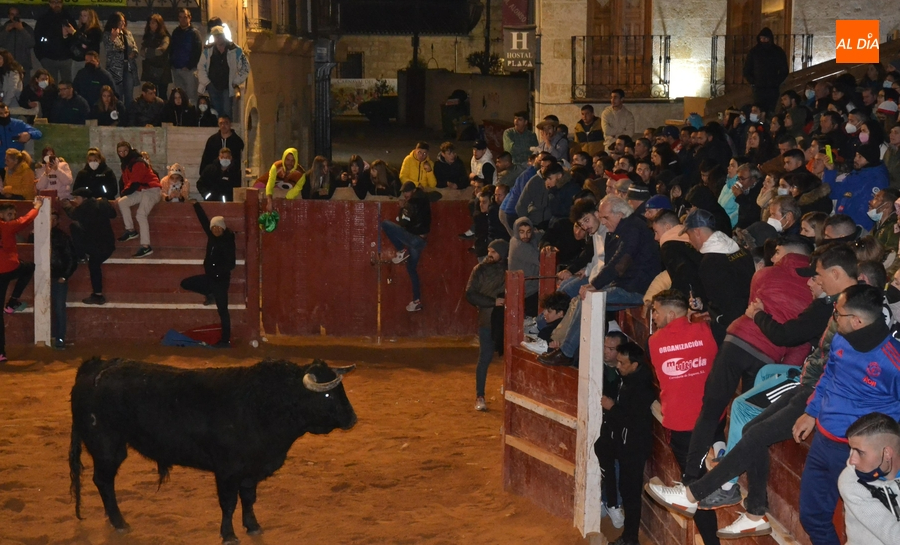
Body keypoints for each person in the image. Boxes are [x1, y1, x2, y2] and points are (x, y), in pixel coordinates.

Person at [648, 243, 857, 538]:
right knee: (752, 427)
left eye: (818, 275)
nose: (813, 281)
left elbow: (809, 347)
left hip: (814, 391)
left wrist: (758, 316)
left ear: (836, 273)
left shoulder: (840, 307)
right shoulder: (834, 306)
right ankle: (753, 509)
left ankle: (699, 490)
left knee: (746, 418)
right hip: (807, 384)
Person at [794, 284, 900, 545]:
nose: (833, 317)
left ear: (858, 320)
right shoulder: (841, 339)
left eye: (838, 313)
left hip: (859, 454)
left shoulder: (893, 361)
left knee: (863, 531)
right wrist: (811, 411)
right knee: (812, 517)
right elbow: (828, 375)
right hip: (823, 440)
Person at [540, 196, 660, 366]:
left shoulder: (632, 228)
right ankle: (564, 349)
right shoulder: (622, 230)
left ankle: (566, 352)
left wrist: (594, 284)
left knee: (587, 298)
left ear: (619, 213)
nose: (602, 222)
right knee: (582, 297)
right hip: (625, 285)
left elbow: (619, 263)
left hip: (635, 289)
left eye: (605, 217)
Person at [647, 290, 722, 545]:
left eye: (656, 311)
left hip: (682, 425)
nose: (653, 316)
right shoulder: (706, 331)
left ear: (670, 313)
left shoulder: (655, 341)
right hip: (713, 420)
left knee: (694, 491)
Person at [594, 341, 657, 545]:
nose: (618, 366)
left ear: (634, 365)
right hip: (626, 443)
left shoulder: (641, 388)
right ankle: (613, 505)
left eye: (622, 363)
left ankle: (630, 538)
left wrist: (612, 407)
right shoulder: (630, 379)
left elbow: (633, 420)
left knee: (630, 492)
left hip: (634, 447)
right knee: (603, 450)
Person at [838, 413, 900, 544]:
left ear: (887, 453)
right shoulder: (851, 481)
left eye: (859, 452)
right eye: (851, 449)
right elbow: (895, 536)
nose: (852, 460)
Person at [180, 202, 235, 348]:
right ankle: (210, 293)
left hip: (220, 281)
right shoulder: (211, 235)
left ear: (223, 229)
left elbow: (231, 264)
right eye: (214, 227)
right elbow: (204, 221)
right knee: (186, 283)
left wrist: (217, 273)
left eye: (218, 227)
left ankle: (225, 340)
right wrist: (196, 205)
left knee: (222, 310)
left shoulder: (228, 241)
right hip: (210, 279)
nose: (216, 229)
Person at [466, 239, 508, 411]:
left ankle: (509, 390)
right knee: (484, 358)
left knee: (511, 358)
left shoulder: (509, 270)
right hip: (487, 320)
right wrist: (493, 301)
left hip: (506, 321)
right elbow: (470, 294)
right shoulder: (479, 270)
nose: (490, 255)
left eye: (494, 252)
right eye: (489, 251)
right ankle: (480, 395)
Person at [382, 181, 431, 312]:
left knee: (385, 224)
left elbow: (403, 222)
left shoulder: (411, 203)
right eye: (404, 192)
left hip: (414, 239)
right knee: (411, 268)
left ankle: (401, 250)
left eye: (406, 192)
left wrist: (402, 208)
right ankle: (417, 300)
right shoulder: (424, 198)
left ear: (413, 191)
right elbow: (437, 195)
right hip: (421, 239)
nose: (405, 195)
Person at [63, 187, 116, 305]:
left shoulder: (83, 208)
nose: (75, 200)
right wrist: (105, 201)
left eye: (77, 198)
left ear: (84, 198)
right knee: (94, 264)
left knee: (74, 227)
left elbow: (72, 214)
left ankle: (81, 256)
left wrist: (66, 205)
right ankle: (97, 294)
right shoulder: (100, 203)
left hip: (95, 246)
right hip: (108, 244)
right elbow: (113, 214)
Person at [827, 143, 890, 231]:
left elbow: (867, 210)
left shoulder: (877, 180)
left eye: (860, 157)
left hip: (855, 229)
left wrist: (855, 231)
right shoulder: (856, 173)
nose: (855, 159)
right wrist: (830, 172)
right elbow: (834, 193)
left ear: (869, 159)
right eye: (856, 155)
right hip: (843, 224)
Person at [115, 141, 161, 258]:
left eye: (125, 151)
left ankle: (146, 246)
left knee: (141, 214)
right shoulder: (126, 164)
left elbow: (134, 182)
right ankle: (130, 230)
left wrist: (124, 192)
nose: (123, 154)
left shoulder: (138, 162)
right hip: (141, 190)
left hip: (152, 189)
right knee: (123, 202)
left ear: (129, 150)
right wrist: (123, 194)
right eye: (120, 152)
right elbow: (128, 182)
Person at [197, 25, 249, 119]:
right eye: (216, 36)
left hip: (227, 87)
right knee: (215, 111)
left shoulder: (235, 50)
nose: (218, 38)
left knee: (227, 111)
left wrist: (236, 81)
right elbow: (200, 67)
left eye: (220, 35)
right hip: (212, 86)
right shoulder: (208, 51)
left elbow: (245, 67)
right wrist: (207, 82)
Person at [743, 28, 788, 115]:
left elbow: (784, 70)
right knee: (758, 111)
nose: (763, 41)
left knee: (770, 111)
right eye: (762, 39)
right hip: (758, 88)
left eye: (765, 39)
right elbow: (747, 69)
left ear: (770, 39)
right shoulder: (754, 52)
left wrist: (776, 82)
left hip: (772, 89)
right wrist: (753, 82)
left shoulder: (778, 52)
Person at [49, 211, 76, 350]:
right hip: (44, 278)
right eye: (49, 218)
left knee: (59, 308)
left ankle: (60, 339)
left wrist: (64, 276)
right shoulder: (36, 234)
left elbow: (71, 258)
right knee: (55, 308)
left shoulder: (62, 237)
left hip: (57, 277)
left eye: (54, 219)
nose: (51, 222)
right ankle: (53, 337)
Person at [33, 0, 76, 83]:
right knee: (51, 86)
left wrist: (67, 36)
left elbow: (75, 37)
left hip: (66, 58)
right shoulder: (43, 19)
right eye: (54, 2)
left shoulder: (69, 18)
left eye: (59, 2)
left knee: (67, 85)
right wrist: (42, 57)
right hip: (49, 58)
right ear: (49, 3)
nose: (56, 5)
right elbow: (38, 38)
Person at [509, 217, 542, 316]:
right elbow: (541, 261)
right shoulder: (519, 246)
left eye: (528, 231)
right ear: (516, 232)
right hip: (527, 292)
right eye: (521, 232)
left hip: (528, 288)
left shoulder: (523, 240)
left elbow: (539, 235)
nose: (525, 235)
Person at [102, 12, 138, 104]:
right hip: (115, 69)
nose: (123, 23)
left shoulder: (127, 33)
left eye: (124, 21)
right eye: (120, 21)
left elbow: (134, 46)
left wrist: (134, 52)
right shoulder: (107, 34)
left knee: (129, 95)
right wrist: (113, 38)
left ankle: (129, 116)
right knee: (118, 95)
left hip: (128, 67)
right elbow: (109, 49)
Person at [169, 8, 203, 104]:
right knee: (179, 96)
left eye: (185, 17)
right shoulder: (176, 32)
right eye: (180, 17)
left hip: (189, 71)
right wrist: (172, 63)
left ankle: (191, 117)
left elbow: (197, 51)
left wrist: (189, 66)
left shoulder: (194, 33)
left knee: (191, 96)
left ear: (190, 18)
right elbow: (172, 48)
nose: (183, 19)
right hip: (176, 69)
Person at [139, 14, 171, 98]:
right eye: (150, 23)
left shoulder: (165, 37)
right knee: (150, 93)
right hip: (150, 68)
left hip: (162, 69)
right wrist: (151, 52)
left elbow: (161, 50)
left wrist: (148, 51)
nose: (151, 25)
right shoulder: (147, 36)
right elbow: (142, 52)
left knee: (162, 94)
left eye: (153, 23)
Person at [0, 7, 34, 76]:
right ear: (8, 16)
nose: (14, 17)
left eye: (16, 14)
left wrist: (22, 30)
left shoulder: (27, 28)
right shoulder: (3, 28)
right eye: (12, 14)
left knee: (24, 85)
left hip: (23, 65)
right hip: (7, 65)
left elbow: (31, 43)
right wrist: (6, 31)